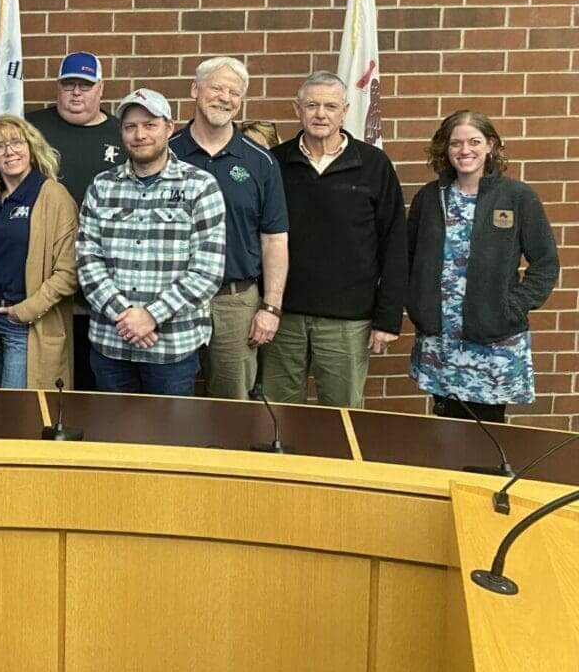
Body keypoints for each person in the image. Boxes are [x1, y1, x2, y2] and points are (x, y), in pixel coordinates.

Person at [263, 71, 407, 409]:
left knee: (342, 415)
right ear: (296, 109)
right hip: (284, 318)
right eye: (312, 105)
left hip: (348, 320)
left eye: (330, 106)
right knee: (277, 414)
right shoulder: (275, 163)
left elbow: (395, 243)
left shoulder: (373, 165)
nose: (320, 114)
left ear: (344, 111)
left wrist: (388, 318)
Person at [407, 111, 558, 423]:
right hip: (441, 341)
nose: (465, 151)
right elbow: (407, 259)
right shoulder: (429, 198)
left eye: (474, 142)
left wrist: (511, 306)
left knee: (486, 432)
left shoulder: (517, 197)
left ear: (490, 145)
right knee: (445, 426)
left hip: (493, 339)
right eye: (456, 143)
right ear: (445, 150)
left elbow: (545, 263)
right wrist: (417, 304)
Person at [75, 89, 226, 396]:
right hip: (111, 346)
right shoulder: (102, 187)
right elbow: (87, 260)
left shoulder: (200, 186)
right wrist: (125, 316)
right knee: (112, 437)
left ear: (169, 128)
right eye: (130, 127)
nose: (139, 134)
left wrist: (151, 316)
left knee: (169, 440)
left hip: (172, 350)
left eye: (149, 125)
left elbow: (207, 271)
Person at [170, 57, 289, 399]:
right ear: (195, 90)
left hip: (234, 302)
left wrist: (270, 307)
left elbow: (274, 239)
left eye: (234, 92)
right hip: (172, 300)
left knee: (232, 405)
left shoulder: (260, 161)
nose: (224, 97)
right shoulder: (168, 153)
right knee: (170, 401)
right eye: (217, 88)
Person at [25, 50, 125, 389]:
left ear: (101, 88)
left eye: (85, 85)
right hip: (45, 272)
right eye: (69, 85)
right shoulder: (33, 128)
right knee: (51, 371)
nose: (76, 93)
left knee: (96, 371)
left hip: (105, 276)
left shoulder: (121, 133)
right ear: (58, 88)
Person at [0, 116, 78, 390]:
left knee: (17, 410)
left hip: (26, 324)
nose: (10, 151)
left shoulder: (53, 196)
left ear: (31, 147)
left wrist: (26, 310)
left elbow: (69, 271)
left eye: (16, 142)